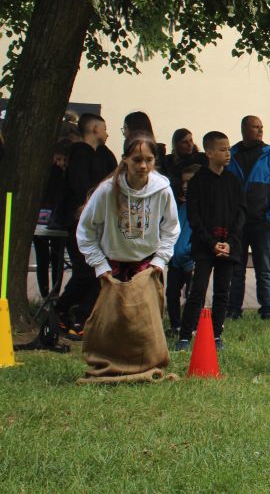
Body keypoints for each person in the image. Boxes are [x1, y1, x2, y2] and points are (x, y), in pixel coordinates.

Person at [76, 133, 180, 382]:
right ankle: (110, 363)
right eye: (137, 160)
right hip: (113, 265)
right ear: (125, 160)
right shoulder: (106, 191)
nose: (143, 166)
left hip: (147, 264)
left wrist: (159, 260)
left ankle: (146, 363)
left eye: (149, 159)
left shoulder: (162, 190)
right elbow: (86, 230)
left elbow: (171, 228)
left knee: (145, 321)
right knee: (112, 320)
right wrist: (99, 265)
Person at [176, 133, 247, 352]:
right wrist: (210, 243)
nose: (228, 154)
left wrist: (231, 243)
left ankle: (216, 335)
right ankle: (186, 335)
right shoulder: (198, 181)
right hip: (205, 247)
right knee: (198, 290)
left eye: (228, 149)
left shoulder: (234, 181)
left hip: (228, 246)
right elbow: (194, 217)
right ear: (209, 152)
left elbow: (240, 214)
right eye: (222, 149)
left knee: (222, 292)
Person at [53, 113, 118, 336]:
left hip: (100, 224)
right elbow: (81, 188)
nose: (107, 132)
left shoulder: (103, 155)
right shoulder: (80, 155)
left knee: (99, 272)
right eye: (105, 127)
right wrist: (87, 206)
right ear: (94, 129)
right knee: (84, 272)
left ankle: (82, 316)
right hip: (80, 224)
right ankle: (60, 310)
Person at [227, 115, 270, 321]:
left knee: (264, 268)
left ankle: (267, 309)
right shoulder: (231, 154)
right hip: (237, 224)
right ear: (244, 129)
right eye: (255, 127)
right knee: (236, 268)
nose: (260, 131)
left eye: (261, 127)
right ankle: (233, 308)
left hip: (262, 223)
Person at [165, 163, 201, 338]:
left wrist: (192, 253)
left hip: (192, 259)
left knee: (192, 295)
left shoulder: (203, 208)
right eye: (184, 182)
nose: (186, 186)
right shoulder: (179, 206)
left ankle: (192, 326)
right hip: (175, 259)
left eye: (190, 182)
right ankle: (175, 325)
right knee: (171, 292)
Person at [33, 139, 70, 298]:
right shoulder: (52, 174)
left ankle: (52, 293)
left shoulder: (63, 175)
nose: (60, 163)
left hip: (54, 220)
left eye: (63, 160)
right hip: (46, 219)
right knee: (46, 257)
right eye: (58, 159)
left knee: (56, 257)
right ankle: (47, 293)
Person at [162, 128, 207, 202]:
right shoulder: (168, 161)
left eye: (191, 140)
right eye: (185, 142)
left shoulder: (202, 158)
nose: (190, 145)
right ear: (177, 145)